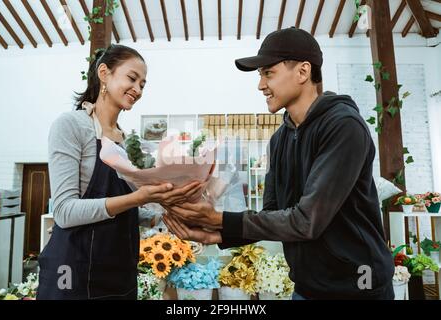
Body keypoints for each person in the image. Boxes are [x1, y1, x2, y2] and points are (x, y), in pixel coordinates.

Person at [163, 27, 395, 300]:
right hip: (306, 288)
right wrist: (216, 235)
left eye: (268, 73)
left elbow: (307, 221)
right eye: (260, 76)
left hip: (358, 286)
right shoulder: (279, 139)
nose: (260, 85)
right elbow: (274, 212)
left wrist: (219, 219)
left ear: (302, 72)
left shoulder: (343, 126)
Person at [37, 44, 202, 300]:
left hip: (118, 271)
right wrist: (140, 197)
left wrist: (162, 214)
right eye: (132, 78)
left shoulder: (123, 142)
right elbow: (64, 212)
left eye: (143, 84)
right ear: (104, 73)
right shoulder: (71, 126)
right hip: (73, 270)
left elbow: (123, 209)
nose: (137, 89)